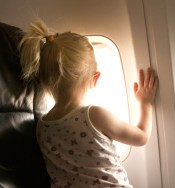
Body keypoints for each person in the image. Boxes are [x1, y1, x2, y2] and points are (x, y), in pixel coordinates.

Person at [19, 19, 158, 188]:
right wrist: (146, 103)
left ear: (43, 82)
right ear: (95, 78)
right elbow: (141, 137)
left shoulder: (41, 128)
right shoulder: (94, 115)